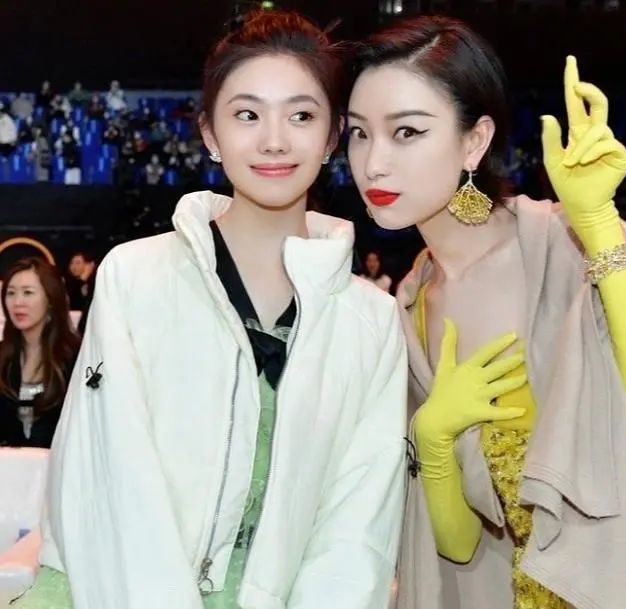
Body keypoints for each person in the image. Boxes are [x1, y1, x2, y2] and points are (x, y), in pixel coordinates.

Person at [12, 9, 406, 609]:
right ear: (210, 134)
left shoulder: (370, 320)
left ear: (332, 137)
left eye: (301, 115)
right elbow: (107, 477)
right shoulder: (135, 276)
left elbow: (357, 529)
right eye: (247, 114)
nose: (274, 140)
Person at [346, 16, 626, 609]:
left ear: (474, 141)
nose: (373, 162)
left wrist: (599, 223)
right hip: (548, 592)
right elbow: (460, 547)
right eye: (358, 133)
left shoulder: (562, 242)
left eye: (407, 132)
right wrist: (432, 436)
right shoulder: (408, 308)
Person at [0, 258, 80, 448]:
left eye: (28, 292)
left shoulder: (76, 357)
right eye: (11, 293)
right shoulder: (3, 355)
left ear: (51, 299)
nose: (17, 302)